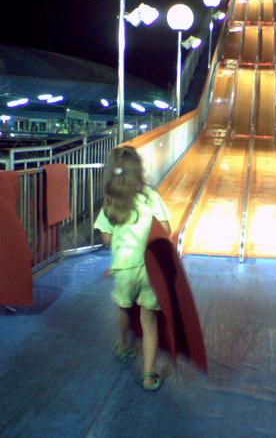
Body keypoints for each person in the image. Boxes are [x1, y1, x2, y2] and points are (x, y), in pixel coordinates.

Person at [94, 146, 171, 391]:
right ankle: (148, 375)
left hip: (124, 267)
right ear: (139, 170)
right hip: (150, 267)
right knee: (149, 319)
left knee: (124, 308)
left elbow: (106, 238)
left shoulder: (111, 200)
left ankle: (122, 345)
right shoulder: (150, 196)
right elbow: (166, 229)